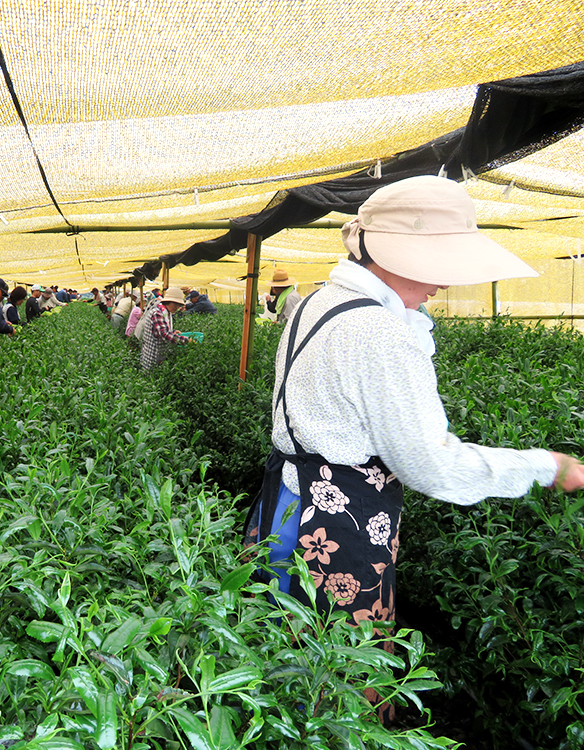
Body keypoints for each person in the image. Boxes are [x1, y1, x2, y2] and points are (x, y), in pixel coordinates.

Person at [245, 176, 584, 632]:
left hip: (282, 506)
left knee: (269, 645)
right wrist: (545, 466)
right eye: (438, 263)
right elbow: (433, 466)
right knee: (331, 662)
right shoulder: (380, 332)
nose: (442, 283)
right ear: (395, 256)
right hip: (330, 528)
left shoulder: (319, 302)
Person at [140, 286, 190, 370]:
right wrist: (186, 341)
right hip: (152, 356)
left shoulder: (166, 312)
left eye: (179, 305)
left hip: (159, 354)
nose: (177, 307)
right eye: (175, 304)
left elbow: (160, 330)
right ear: (168, 302)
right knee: (151, 376)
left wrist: (173, 332)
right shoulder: (157, 313)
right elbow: (164, 334)